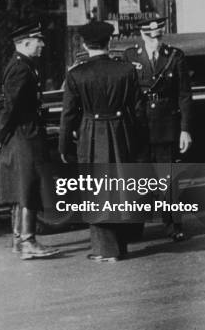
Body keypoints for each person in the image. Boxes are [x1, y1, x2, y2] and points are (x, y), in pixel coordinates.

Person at [59, 20, 145, 262]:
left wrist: (64, 144)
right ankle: (120, 246)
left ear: (85, 45)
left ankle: (105, 250)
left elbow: (68, 114)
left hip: (91, 132)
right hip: (122, 131)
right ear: (110, 42)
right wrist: (139, 140)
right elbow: (138, 110)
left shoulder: (76, 74)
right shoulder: (126, 70)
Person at [123, 15, 192, 241]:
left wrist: (185, 129)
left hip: (166, 126)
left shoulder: (174, 56)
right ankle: (135, 227)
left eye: (158, 35)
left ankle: (173, 225)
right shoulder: (131, 56)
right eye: (150, 35)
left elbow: (184, 96)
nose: (155, 39)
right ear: (141, 35)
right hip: (141, 127)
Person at [0, 22, 59, 260]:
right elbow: (11, 106)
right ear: (26, 43)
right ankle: (27, 241)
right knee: (28, 187)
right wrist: (1, 133)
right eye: (38, 40)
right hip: (25, 135)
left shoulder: (24, 65)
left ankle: (18, 239)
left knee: (24, 187)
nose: (42, 44)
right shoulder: (21, 68)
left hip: (24, 132)